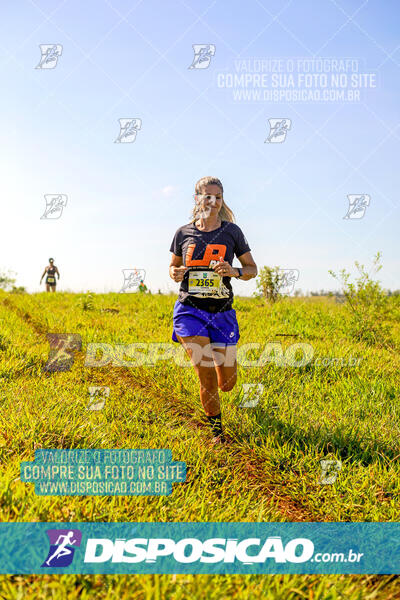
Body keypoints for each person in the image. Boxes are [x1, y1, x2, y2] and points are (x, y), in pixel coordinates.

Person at [169, 176, 257, 444]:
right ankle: (217, 434)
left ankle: (221, 391)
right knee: (204, 370)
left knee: (227, 383)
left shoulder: (232, 232)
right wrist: (176, 272)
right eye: (207, 196)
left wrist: (235, 271)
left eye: (218, 197)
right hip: (190, 311)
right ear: (197, 199)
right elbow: (172, 268)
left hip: (222, 313)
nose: (213, 202)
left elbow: (252, 269)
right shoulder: (183, 233)